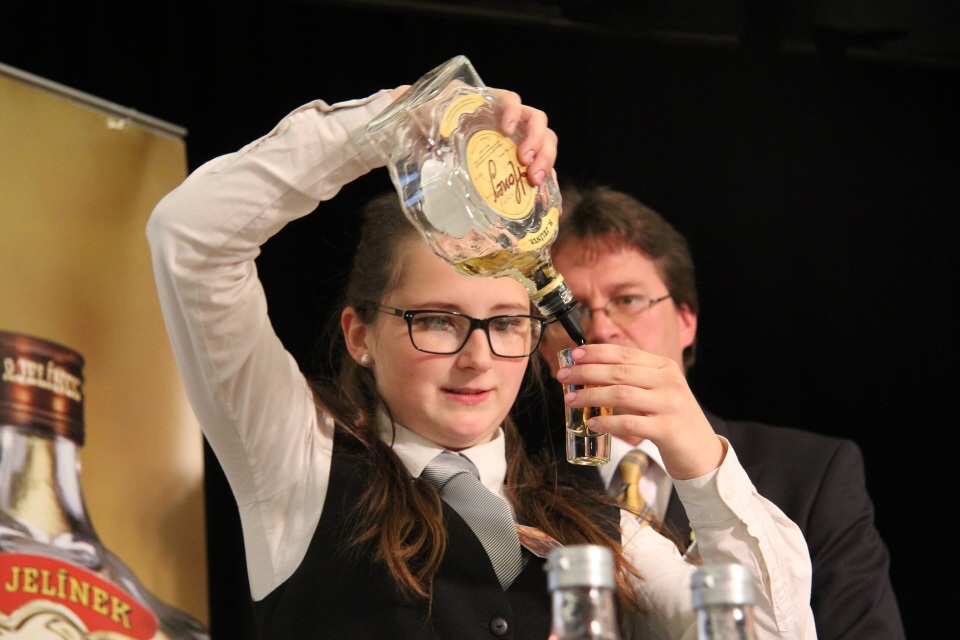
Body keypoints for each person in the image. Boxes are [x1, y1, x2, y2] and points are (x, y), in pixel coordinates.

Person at [146, 81, 816, 640]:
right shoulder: (299, 465)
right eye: (437, 321)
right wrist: (399, 123)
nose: (477, 359)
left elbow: (766, 632)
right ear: (360, 334)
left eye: (505, 324)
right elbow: (191, 238)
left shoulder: (593, 521)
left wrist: (702, 461)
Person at [538, 185, 905, 640]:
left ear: (686, 320)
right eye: (571, 310)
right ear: (542, 345)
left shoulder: (814, 474)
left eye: (627, 300)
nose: (600, 329)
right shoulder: (518, 483)